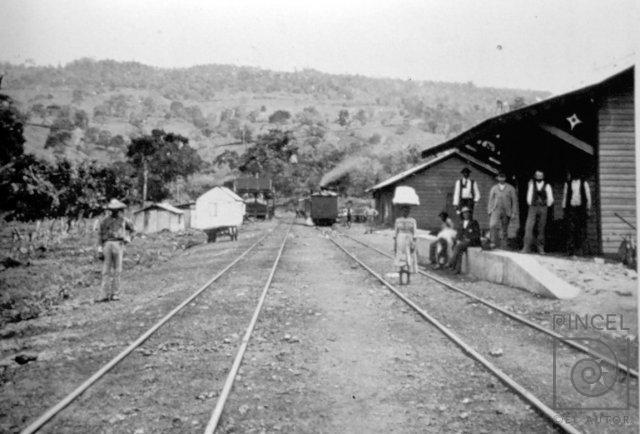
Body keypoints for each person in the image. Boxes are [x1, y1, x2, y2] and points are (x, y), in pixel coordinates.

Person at [96, 199, 134, 302]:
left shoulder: (124, 220)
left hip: (119, 244)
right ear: (110, 210)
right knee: (106, 271)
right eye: (113, 210)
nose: (115, 212)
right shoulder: (104, 221)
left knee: (118, 270)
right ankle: (104, 295)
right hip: (107, 244)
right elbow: (99, 235)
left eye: (117, 210)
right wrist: (99, 249)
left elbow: (133, 230)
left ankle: (115, 294)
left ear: (119, 210)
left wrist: (128, 239)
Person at [522, 170, 554, 254]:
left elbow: (550, 197)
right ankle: (526, 247)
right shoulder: (532, 185)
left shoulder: (547, 185)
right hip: (533, 207)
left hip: (543, 208)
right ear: (535, 176)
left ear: (543, 176)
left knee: (541, 228)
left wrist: (546, 204)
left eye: (541, 175)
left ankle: (540, 248)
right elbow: (529, 196)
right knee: (529, 227)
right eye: (537, 175)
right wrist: (531, 203)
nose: (539, 177)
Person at [562, 170, 591, 255]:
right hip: (571, 209)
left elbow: (588, 196)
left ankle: (580, 250)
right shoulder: (568, 184)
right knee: (570, 229)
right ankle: (570, 250)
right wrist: (564, 208)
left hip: (581, 209)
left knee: (581, 229)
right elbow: (565, 196)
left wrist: (588, 208)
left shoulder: (584, 183)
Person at [487, 172, 518, 249]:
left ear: (505, 178)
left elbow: (514, 201)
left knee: (504, 228)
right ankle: (493, 243)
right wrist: (489, 210)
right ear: (498, 178)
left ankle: (504, 245)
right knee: (493, 225)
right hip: (496, 209)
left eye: (503, 177)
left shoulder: (511, 188)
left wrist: (513, 212)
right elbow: (490, 199)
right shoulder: (494, 188)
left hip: (506, 210)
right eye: (500, 177)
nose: (501, 179)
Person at [447, 207, 481, 274]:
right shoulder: (461, 223)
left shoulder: (474, 222)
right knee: (458, 248)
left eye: (467, 213)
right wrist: (457, 239)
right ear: (462, 214)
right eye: (464, 213)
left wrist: (470, 239)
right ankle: (457, 269)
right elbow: (458, 234)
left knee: (458, 246)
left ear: (470, 214)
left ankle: (451, 263)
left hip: (471, 241)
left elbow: (477, 234)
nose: (465, 214)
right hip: (463, 241)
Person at [394, 205, 418, 285]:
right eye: (404, 211)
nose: (405, 212)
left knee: (409, 258)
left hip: (409, 239)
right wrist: (394, 244)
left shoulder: (412, 220)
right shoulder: (398, 220)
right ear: (401, 211)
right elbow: (395, 233)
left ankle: (408, 279)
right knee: (401, 257)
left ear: (409, 212)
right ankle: (400, 280)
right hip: (400, 240)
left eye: (407, 211)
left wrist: (414, 243)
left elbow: (415, 233)